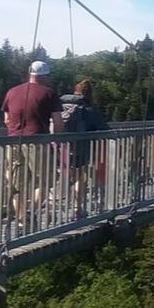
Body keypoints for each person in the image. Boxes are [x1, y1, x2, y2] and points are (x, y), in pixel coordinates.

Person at [2, 60, 64, 231]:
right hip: (38, 141)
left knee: (16, 184)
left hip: (13, 141)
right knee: (46, 179)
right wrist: (57, 141)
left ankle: (21, 220)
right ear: (45, 76)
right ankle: (32, 212)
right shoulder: (49, 93)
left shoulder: (12, 92)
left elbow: (6, 119)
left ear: (30, 73)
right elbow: (58, 122)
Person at [60, 79, 108, 219]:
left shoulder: (61, 106)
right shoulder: (87, 109)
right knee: (79, 178)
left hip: (57, 147)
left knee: (55, 178)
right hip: (78, 149)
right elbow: (105, 129)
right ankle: (77, 209)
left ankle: (34, 213)